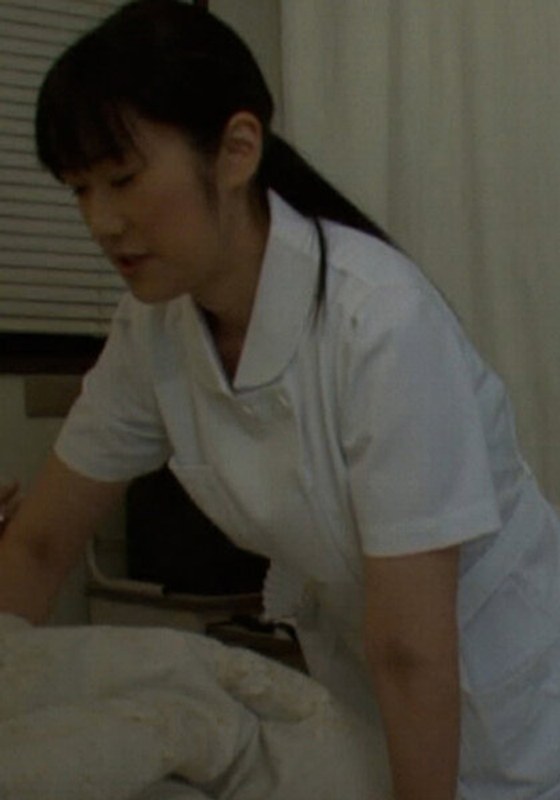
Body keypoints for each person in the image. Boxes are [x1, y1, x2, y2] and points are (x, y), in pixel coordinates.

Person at [1, 1, 560, 798]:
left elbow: (412, 648)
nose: (102, 221)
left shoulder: (380, 322)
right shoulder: (152, 329)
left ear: (236, 150)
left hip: (505, 698)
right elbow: (39, 545)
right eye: (79, 189)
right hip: (373, 688)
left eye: (122, 179)